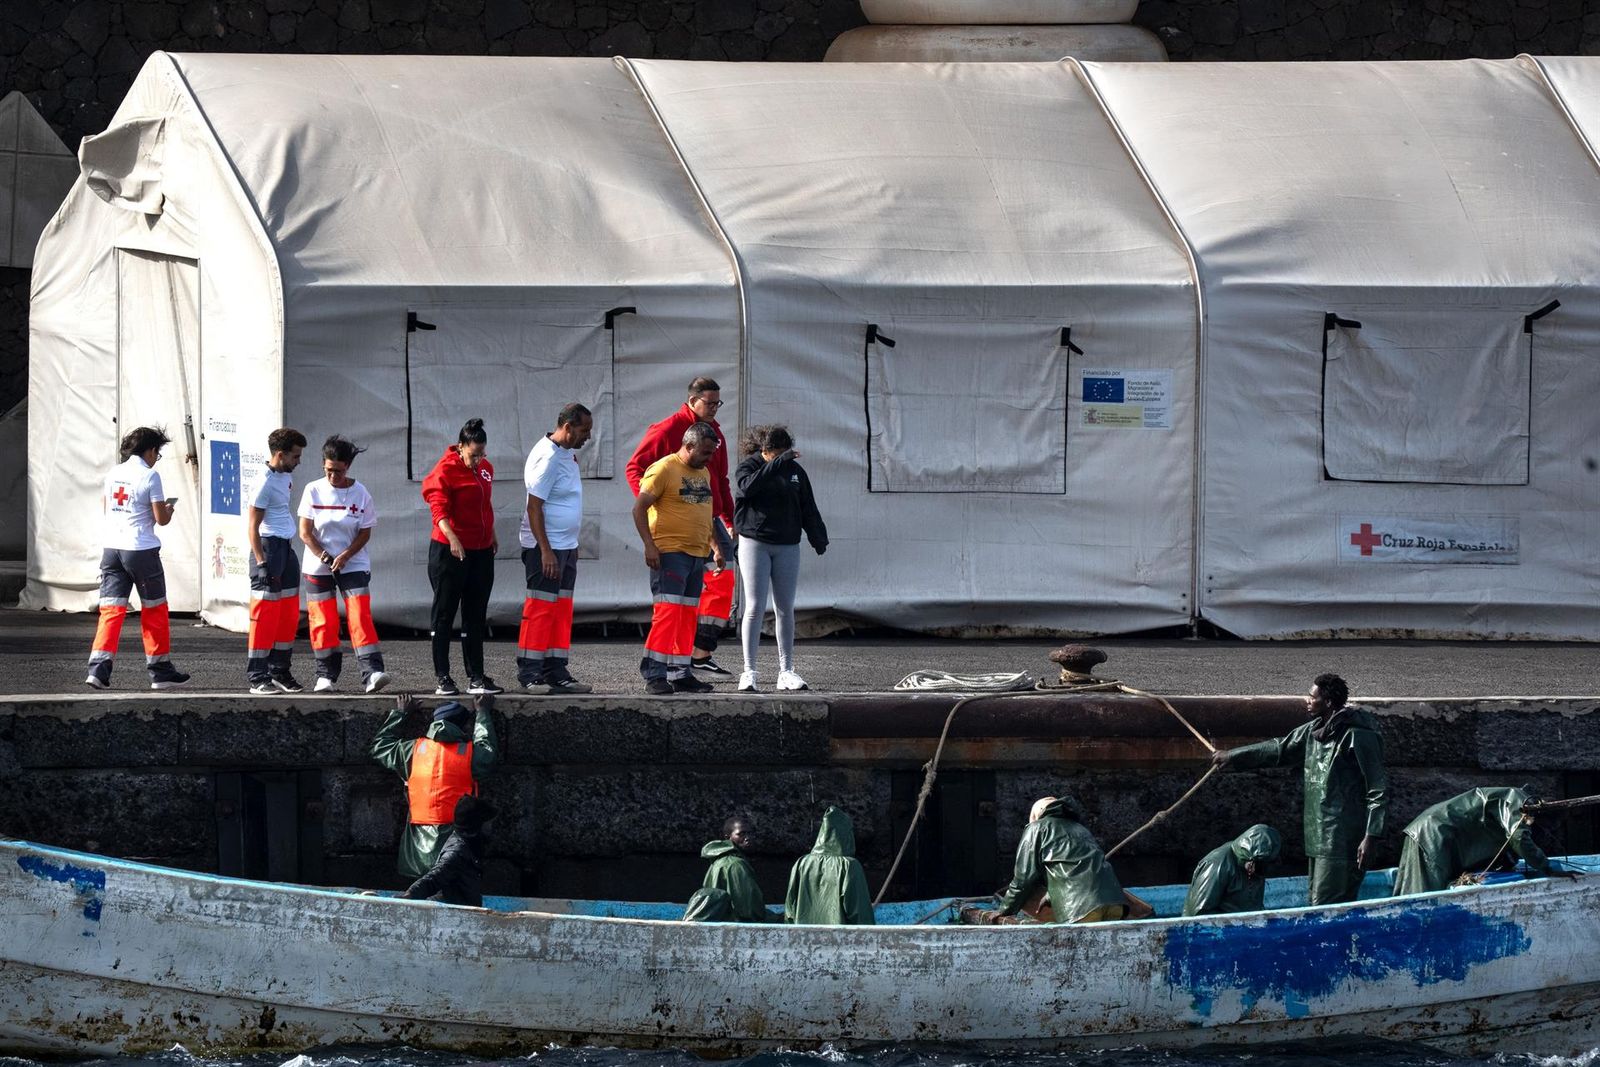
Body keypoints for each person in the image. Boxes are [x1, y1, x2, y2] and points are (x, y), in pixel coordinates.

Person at [1211, 673, 1387, 906]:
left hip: (1341, 839)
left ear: (1329, 703)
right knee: (1317, 902)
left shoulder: (1358, 736)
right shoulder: (1313, 731)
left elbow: (1377, 789)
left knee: (1326, 906)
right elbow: (1278, 749)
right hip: (1317, 836)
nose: (1306, 700)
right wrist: (1232, 756)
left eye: (1312, 697)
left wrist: (1371, 836)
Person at [626, 376, 737, 677]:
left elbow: (721, 481)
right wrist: (659, 501)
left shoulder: (715, 436)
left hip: (706, 521)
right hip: (674, 528)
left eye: (718, 403)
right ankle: (660, 669)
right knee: (672, 605)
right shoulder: (667, 430)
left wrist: (728, 519)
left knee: (716, 583)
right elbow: (635, 469)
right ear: (692, 401)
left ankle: (695, 656)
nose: (715, 408)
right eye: (710, 403)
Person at [85, 425, 190, 690]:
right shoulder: (150, 476)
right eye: (158, 453)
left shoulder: (113, 472)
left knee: (111, 610)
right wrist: (168, 509)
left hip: (112, 549)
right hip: (141, 550)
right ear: (151, 450)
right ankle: (161, 672)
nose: (157, 458)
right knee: (154, 609)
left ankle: (98, 670)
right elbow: (160, 520)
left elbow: (106, 507)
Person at [631, 422, 725, 695]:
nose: (709, 458)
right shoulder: (663, 469)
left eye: (712, 453)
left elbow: (704, 514)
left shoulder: (704, 473)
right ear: (689, 446)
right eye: (706, 452)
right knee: (668, 614)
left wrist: (715, 547)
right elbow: (638, 510)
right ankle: (654, 673)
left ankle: (680, 672)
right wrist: (649, 546)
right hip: (670, 554)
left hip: (697, 555)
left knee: (686, 617)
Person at [733, 425, 828, 693]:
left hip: (787, 543)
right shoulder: (748, 467)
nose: (778, 459)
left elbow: (808, 505)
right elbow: (746, 489)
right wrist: (775, 465)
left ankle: (786, 671)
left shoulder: (796, 472)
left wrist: (817, 536)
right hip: (755, 542)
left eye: (781, 455)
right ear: (763, 451)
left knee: (785, 607)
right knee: (754, 606)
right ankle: (749, 671)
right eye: (773, 455)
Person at [370, 693, 499, 881]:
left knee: (419, 890)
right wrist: (483, 713)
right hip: (456, 842)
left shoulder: (412, 750)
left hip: (417, 848)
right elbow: (487, 751)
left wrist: (401, 713)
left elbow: (380, 747)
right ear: (461, 726)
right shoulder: (469, 753)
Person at [297, 435, 390, 694]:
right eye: (328, 470)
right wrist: (325, 556)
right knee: (322, 620)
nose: (332, 476)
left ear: (347, 466)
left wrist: (346, 555)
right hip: (318, 564)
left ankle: (372, 672)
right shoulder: (312, 490)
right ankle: (325, 676)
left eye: (337, 471)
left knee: (359, 615)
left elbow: (365, 532)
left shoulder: (361, 493)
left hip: (353, 562)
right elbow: (305, 532)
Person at [516, 403, 594, 695]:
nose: (588, 437)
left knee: (560, 611)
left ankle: (556, 670)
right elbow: (534, 507)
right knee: (540, 609)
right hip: (546, 548)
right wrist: (545, 550)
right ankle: (530, 673)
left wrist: (571, 546)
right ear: (568, 427)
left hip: (565, 546)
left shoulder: (566, 453)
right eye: (584, 430)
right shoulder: (547, 457)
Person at [421, 417, 501, 697]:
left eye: (482, 454)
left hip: (480, 549)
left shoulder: (485, 469)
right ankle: (443, 675)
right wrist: (453, 538)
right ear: (460, 447)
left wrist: (491, 532)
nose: (477, 459)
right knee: (444, 613)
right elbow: (438, 509)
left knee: (475, 613)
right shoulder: (445, 470)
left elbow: (484, 504)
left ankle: (476, 675)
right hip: (449, 550)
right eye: (472, 454)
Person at [979, 795, 1127, 924]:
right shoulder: (1080, 828)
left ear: (1036, 815)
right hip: (1115, 903)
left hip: (1081, 906)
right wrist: (1051, 895)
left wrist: (1004, 909)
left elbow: (1023, 878)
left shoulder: (1037, 828)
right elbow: (1076, 865)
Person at [1392, 786, 1550, 896]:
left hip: (1428, 831)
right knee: (1422, 901)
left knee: (1412, 893)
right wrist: (1546, 867)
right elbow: (1519, 838)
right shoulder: (1517, 799)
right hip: (1432, 835)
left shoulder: (1502, 805)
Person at [247, 427, 307, 694]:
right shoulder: (264, 482)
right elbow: (252, 526)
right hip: (269, 548)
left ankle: (280, 670)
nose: (298, 461)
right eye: (295, 456)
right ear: (280, 455)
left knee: (288, 611)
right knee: (265, 614)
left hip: (286, 547)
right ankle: (257, 675)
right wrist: (260, 562)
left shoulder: (284, 476)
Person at [399, 794, 496, 908]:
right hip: (454, 916)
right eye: (488, 823)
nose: (491, 828)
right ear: (476, 825)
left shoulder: (471, 844)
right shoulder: (457, 852)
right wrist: (409, 897)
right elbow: (433, 878)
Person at [784, 805, 874, 925]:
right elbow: (860, 914)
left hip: (803, 938)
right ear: (847, 834)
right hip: (839, 940)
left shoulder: (801, 864)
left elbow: (790, 909)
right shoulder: (849, 866)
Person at [1182, 824, 1282, 916]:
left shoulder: (1260, 865)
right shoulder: (1217, 864)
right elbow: (1199, 913)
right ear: (1250, 860)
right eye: (1259, 864)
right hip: (1215, 931)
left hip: (1244, 927)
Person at [695, 813, 776, 923]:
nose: (748, 838)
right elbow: (749, 910)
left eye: (750, 833)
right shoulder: (736, 865)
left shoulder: (717, 860)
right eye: (741, 834)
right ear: (728, 837)